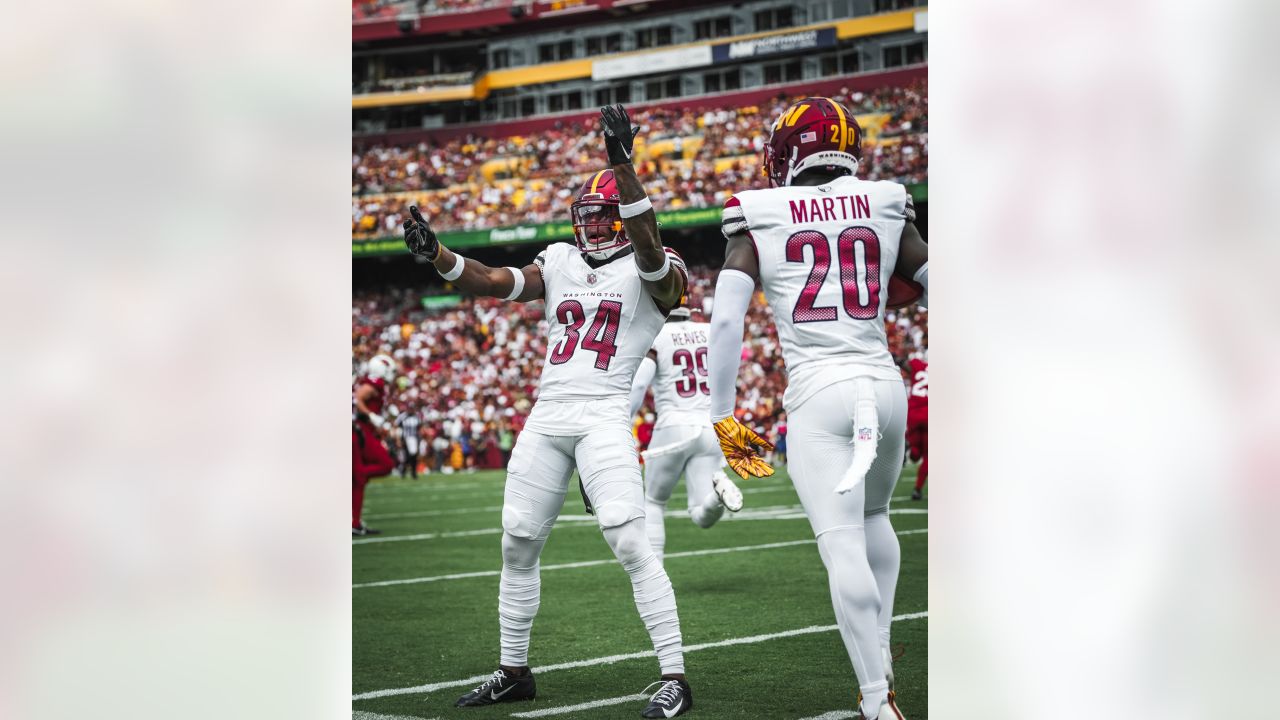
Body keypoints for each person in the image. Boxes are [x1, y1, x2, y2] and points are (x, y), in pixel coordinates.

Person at [400, 104, 695, 718]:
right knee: (516, 541)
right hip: (548, 413)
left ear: (624, 215)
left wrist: (623, 164)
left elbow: (648, 249)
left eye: (601, 214)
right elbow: (489, 280)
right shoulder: (560, 261)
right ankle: (514, 669)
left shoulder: (659, 271)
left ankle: (675, 675)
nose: (591, 226)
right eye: (584, 215)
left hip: (604, 413)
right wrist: (439, 257)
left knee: (630, 542)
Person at [706, 97, 928, 720]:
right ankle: (880, 661)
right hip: (884, 387)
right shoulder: (886, 200)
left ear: (786, 154)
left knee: (841, 543)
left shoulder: (760, 210)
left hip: (819, 391)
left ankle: (876, 698)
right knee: (877, 517)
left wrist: (723, 414)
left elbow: (726, 319)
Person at [629, 301, 743, 562]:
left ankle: (654, 570)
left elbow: (638, 386)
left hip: (674, 424)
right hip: (710, 427)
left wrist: (623, 422)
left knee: (654, 502)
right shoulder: (709, 331)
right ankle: (717, 495)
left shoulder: (656, 335)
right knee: (701, 514)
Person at [352, 355, 398, 536]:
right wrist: (372, 417)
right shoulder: (374, 382)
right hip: (357, 431)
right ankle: (358, 475)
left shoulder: (377, 383)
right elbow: (359, 398)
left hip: (362, 431)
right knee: (385, 464)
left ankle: (354, 521)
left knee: (359, 480)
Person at [904, 352, 928, 500]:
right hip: (930, 413)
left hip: (913, 413)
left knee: (915, 455)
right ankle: (917, 489)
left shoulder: (917, 363)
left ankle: (910, 448)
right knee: (928, 457)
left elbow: (905, 364)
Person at [394, 402, 424, 479]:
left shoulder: (416, 416)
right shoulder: (402, 416)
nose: (411, 410)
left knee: (413, 455)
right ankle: (403, 471)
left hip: (414, 438)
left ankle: (413, 472)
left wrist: (420, 437)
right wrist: (397, 439)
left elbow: (420, 427)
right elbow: (396, 426)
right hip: (405, 438)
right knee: (405, 456)